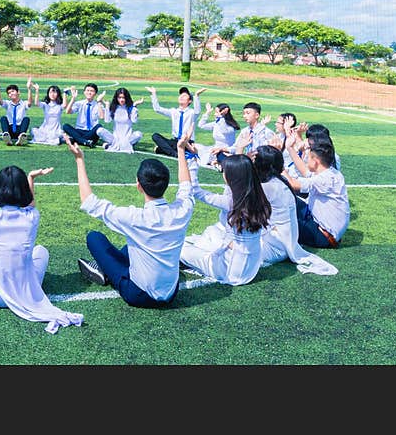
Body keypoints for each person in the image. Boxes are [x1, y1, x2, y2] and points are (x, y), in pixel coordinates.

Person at [66, 128, 194, 308]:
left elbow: (89, 202)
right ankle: (109, 268)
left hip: (138, 294)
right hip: (172, 293)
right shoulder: (182, 210)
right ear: (166, 184)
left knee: (94, 238)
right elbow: (186, 186)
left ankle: (106, 273)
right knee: (130, 246)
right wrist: (181, 150)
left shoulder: (135, 217)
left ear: (139, 185)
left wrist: (79, 160)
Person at [0, 163, 83, 333]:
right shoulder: (32, 217)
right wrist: (31, 178)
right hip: (29, 292)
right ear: (24, 191)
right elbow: (30, 204)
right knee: (41, 251)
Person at [179, 153, 271, 286]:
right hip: (251, 267)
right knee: (212, 232)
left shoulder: (230, 202)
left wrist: (192, 162)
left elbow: (195, 190)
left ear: (232, 177)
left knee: (183, 250)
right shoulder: (258, 196)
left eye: (224, 171)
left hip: (230, 270)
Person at [253, 146, 338, 275]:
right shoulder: (279, 181)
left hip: (276, 246)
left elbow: (235, 190)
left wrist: (240, 150)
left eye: (254, 160)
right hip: (284, 241)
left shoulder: (268, 187)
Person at [282, 137, 350, 249]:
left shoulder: (325, 179)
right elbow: (305, 171)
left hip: (322, 236)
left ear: (315, 161)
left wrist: (278, 164)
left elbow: (293, 184)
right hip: (318, 225)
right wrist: (290, 148)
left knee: (281, 219)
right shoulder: (330, 172)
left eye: (308, 158)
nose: (306, 160)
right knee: (288, 198)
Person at [149, 85, 204, 157]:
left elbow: (197, 111)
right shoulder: (174, 111)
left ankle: (165, 150)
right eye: (180, 95)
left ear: (190, 101)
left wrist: (196, 95)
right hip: (175, 141)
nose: (181, 96)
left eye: (184, 96)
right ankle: (175, 154)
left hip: (187, 142)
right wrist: (154, 94)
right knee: (155, 136)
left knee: (161, 147)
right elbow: (157, 109)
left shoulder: (191, 113)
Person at [96, 87, 143, 153]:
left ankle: (114, 144)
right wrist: (107, 105)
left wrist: (134, 106)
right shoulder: (114, 107)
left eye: (123, 98)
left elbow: (134, 120)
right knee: (99, 130)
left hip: (128, 137)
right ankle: (116, 143)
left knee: (139, 134)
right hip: (115, 138)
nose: (121, 100)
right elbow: (107, 120)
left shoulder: (130, 107)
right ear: (116, 98)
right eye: (119, 98)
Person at [194, 101, 239, 168]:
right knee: (196, 147)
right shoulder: (217, 123)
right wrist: (208, 112)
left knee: (207, 158)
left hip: (226, 151)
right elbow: (201, 125)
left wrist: (221, 117)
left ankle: (217, 162)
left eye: (216, 112)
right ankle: (216, 162)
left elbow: (224, 131)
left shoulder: (230, 127)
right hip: (215, 149)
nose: (215, 114)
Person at [62, 83, 106, 148]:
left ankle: (77, 140)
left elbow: (102, 117)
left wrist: (99, 102)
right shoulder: (79, 103)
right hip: (79, 130)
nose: (89, 92)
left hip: (91, 132)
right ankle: (85, 142)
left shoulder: (98, 105)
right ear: (84, 92)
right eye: (87, 90)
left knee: (99, 126)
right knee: (65, 126)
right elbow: (68, 111)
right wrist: (73, 98)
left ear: (95, 93)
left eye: (92, 91)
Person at [0, 77, 36, 146]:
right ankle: (7, 137)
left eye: (12, 91)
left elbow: (30, 102)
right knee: (3, 118)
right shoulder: (7, 103)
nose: (11, 94)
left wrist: (29, 89)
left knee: (26, 119)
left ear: (18, 92)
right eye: (9, 93)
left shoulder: (23, 103)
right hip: (10, 128)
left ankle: (21, 137)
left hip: (19, 128)